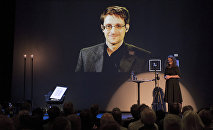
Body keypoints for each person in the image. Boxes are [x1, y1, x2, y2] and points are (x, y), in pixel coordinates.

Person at [75, 6, 150, 73]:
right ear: (102, 28)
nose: (113, 32)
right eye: (108, 26)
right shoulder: (85, 55)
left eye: (118, 26)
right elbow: (77, 85)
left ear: (126, 28)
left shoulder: (143, 58)